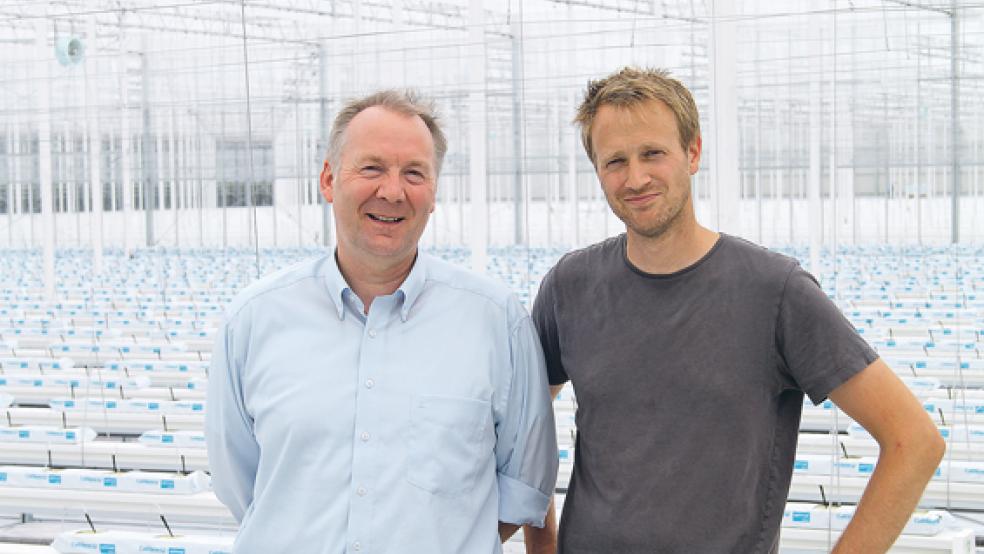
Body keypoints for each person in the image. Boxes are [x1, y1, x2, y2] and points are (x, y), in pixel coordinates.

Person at [531, 67, 945, 553]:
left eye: (653, 154)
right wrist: (542, 546)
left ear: (693, 153)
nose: (635, 177)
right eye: (615, 161)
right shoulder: (570, 287)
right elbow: (526, 426)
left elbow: (914, 441)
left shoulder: (775, 292)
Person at [206, 90, 558, 553]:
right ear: (329, 180)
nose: (392, 191)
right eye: (371, 168)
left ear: (433, 195)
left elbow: (522, 487)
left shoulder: (496, 322)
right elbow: (245, 486)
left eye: (414, 173)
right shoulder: (253, 321)